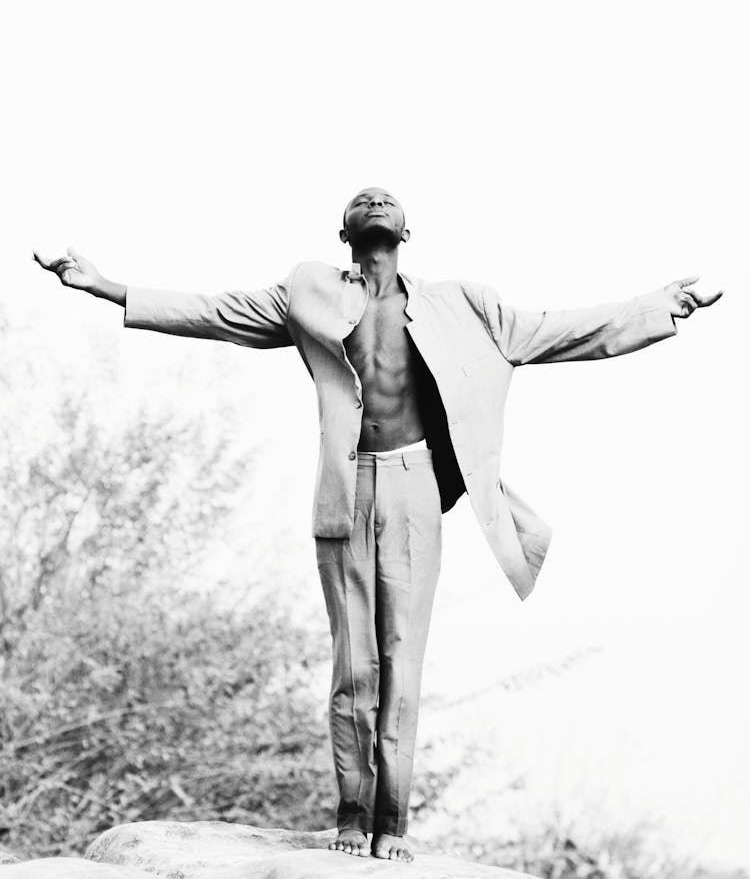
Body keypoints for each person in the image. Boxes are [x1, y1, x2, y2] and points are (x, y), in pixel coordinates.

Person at [33, 187, 722, 863]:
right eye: (364, 197)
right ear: (345, 234)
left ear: (406, 231)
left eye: (387, 197)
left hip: (415, 483)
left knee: (403, 660)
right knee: (352, 665)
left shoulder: (463, 305)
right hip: (345, 487)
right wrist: (108, 287)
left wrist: (658, 307)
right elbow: (216, 310)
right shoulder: (307, 291)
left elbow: (560, 328)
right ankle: (349, 813)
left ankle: (391, 822)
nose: (377, 197)